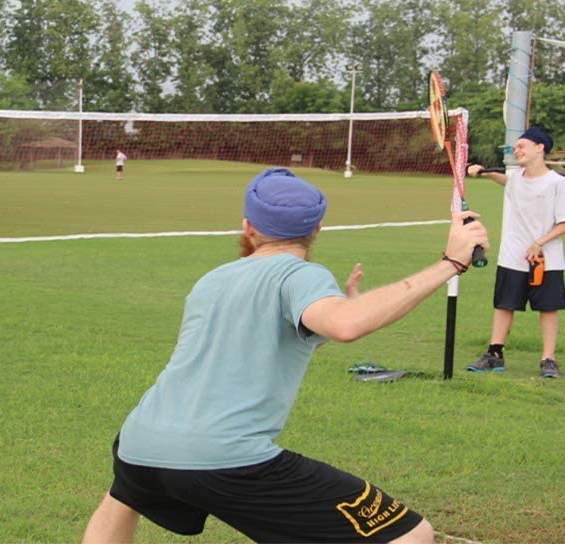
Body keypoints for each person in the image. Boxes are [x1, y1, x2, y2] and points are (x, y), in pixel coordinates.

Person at [82, 167, 489, 544]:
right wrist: (451, 262)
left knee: (123, 498)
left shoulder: (213, 279)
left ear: (248, 226)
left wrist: (333, 311)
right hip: (222, 455)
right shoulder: (301, 275)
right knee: (412, 536)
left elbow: (259, 338)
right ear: (317, 228)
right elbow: (347, 325)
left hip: (139, 441)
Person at [466, 126, 565, 379]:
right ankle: (494, 354)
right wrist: (483, 172)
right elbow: (506, 181)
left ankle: (548, 359)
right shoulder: (517, 178)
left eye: (521, 146)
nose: (516, 150)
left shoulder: (557, 183)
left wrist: (540, 242)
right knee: (504, 305)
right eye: (515, 147)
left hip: (545, 259)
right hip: (511, 256)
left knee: (548, 309)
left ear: (540, 148)